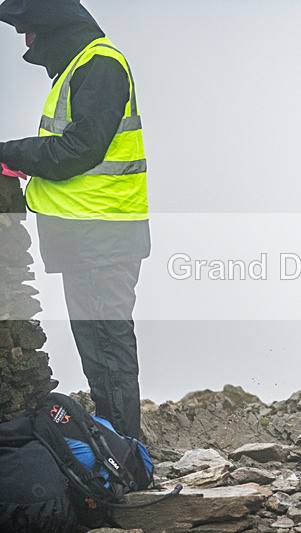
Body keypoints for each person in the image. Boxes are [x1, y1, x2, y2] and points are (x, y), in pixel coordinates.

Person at [0, 0, 149, 438]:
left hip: (101, 233)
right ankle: (120, 452)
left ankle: (125, 457)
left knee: (107, 350)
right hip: (91, 234)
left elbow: (77, 151)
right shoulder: (84, 64)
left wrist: (7, 152)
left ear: (55, 27)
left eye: (30, 31)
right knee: (102, 351)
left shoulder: (100, 65)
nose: (27, 42)